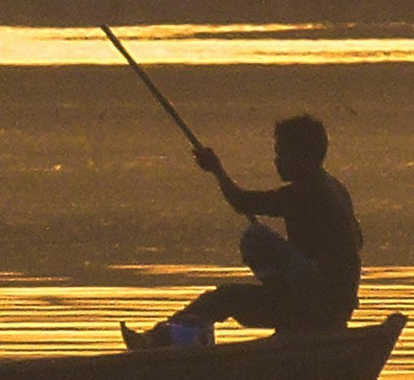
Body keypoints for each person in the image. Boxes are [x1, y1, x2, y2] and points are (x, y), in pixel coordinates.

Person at [138, 112, 360, 345]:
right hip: (334, 303)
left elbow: (241, 201)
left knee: (256, 237)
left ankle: (167, 336)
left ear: (303, 157)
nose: (276, 161)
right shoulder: (336, 188)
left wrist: (216, 169)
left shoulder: (310, 193)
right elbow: (357, 240)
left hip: (323, 304)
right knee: (225, 297)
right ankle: (168, 334)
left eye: (282, 154)